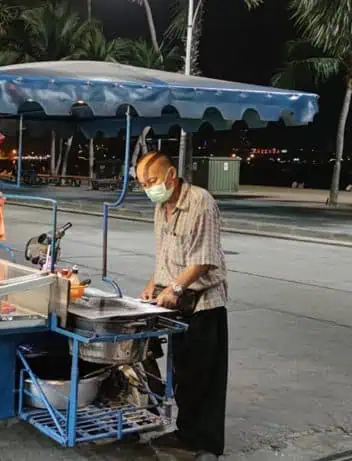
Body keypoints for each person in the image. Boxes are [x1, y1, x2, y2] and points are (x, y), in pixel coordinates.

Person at [136, 152, 228, 461]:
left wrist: (175, 287)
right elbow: (164, 256)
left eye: (152, 181)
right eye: (143, 184)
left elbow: (203, 259)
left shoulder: (200, 202)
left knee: (203, 375)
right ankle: (185, 432)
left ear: (171, 176)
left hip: (204, 303)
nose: (149, 188)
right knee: (182, 371)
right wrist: (153, 283)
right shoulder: (162, 208)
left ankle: (206, 443)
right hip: (175, 300)